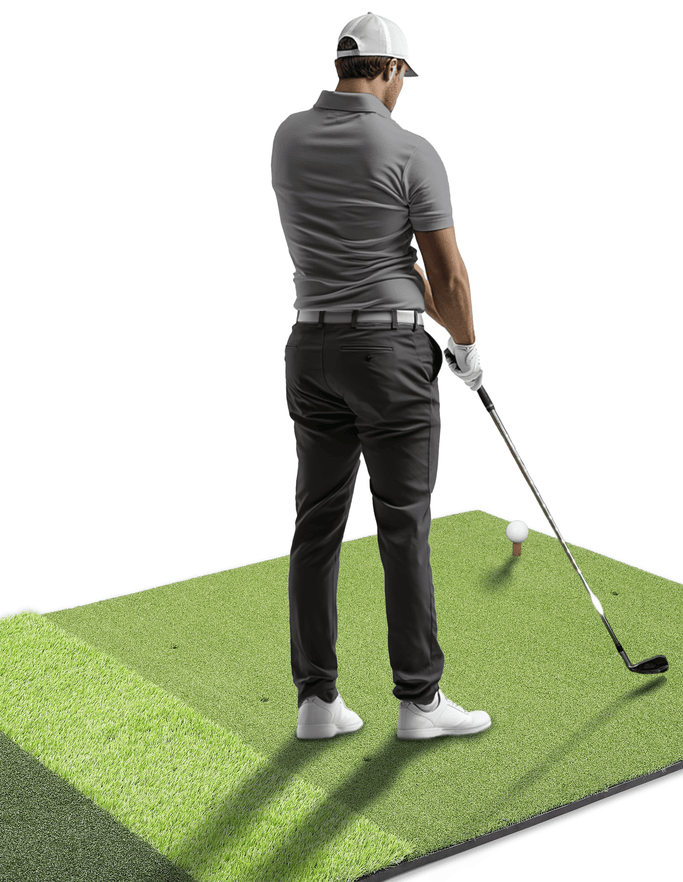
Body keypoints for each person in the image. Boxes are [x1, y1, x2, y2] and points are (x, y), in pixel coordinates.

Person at [272, 12, 492, 741]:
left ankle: (316, 703)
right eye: (404, 79)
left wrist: (437, 322)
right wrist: (466, 347)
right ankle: (420, 705)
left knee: (317, 523)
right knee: (402, 527)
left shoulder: (288, 139)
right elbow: (447, 278)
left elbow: (373, 255)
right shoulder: (409, 150)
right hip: (389, 360)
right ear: (391, 70)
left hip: (311, 351)